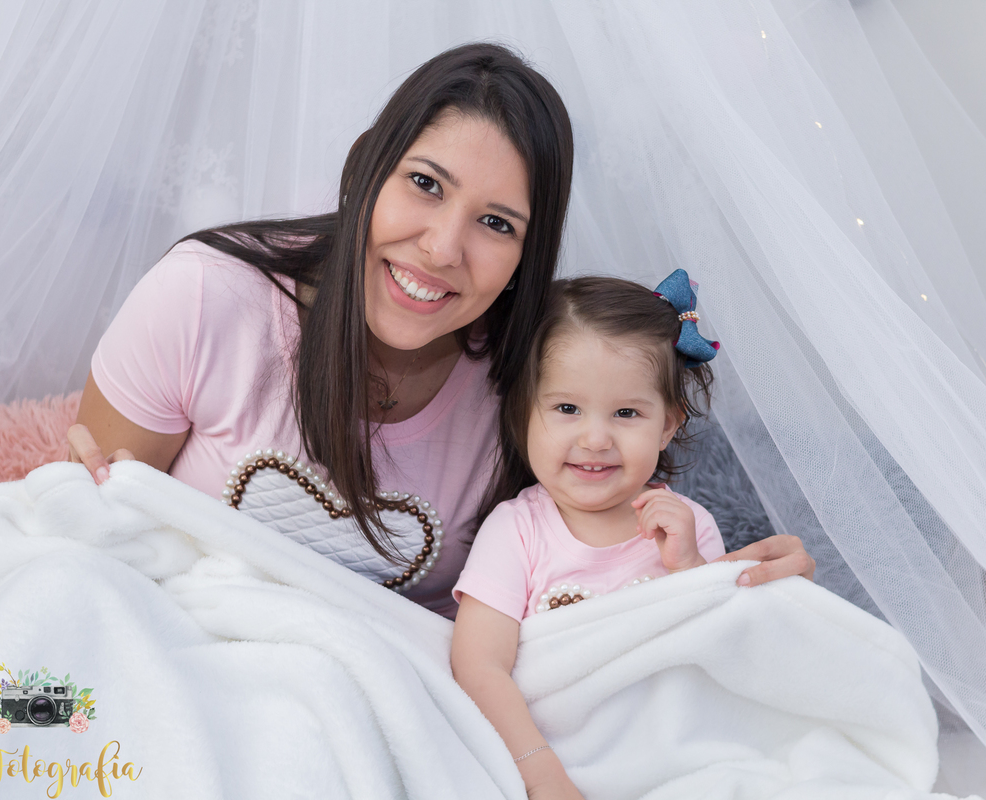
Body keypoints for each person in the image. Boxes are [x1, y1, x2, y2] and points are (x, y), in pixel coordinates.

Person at [66, 42, 815, 618]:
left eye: (496, 223)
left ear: (527, 256)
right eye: (425, 185)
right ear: (366, 173)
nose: (441, 248)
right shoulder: (205, 298)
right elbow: (97, 536)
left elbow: (602, 566)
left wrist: (731, 587)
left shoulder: (530, 383)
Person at [450, 272, 747, 798]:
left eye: (627, 413)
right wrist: (539, 771)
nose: (594, 438)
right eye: (566, 409)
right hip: (546, 755)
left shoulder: (688, 525)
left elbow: (720, 661)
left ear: (667, 426)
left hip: (666, 751)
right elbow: (478, 664)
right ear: (524, 413)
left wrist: (691, 573)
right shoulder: (518, 530)